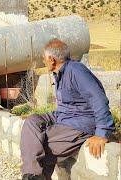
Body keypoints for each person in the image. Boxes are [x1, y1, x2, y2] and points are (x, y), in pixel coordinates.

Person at [20, 39, 115, 180]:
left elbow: (98, 98)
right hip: (62, 116)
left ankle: (33, 176)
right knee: (31, 121)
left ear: (52, 60)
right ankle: (33, 174)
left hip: (78, 122)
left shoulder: (76, 71)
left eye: (44, 58)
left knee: (42, 147)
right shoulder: (60, 73)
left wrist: (102, 133)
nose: (43, 61)